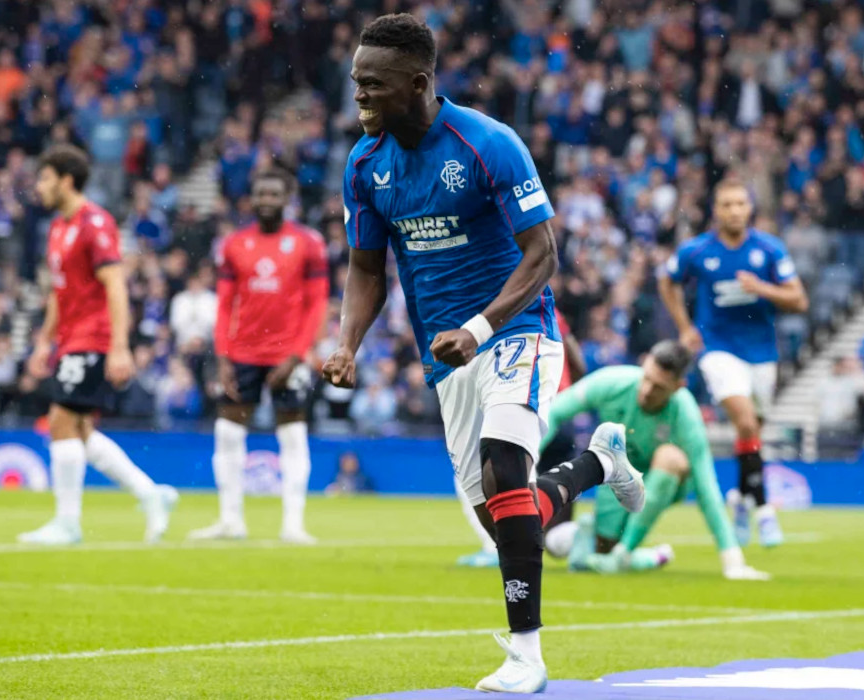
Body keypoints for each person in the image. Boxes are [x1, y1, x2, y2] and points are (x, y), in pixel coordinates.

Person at [322, 14, 645, 693]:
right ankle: (594, 464)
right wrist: (346, 343)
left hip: (516, 329)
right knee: (505, 517)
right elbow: (367, 269)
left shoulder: (487, 143)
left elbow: (543, 252)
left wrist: (479, 325)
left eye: (372, 86)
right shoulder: (364, 165)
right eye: (356, 84)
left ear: (417, 83)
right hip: (448, 361)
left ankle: (526, 657)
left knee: (505, 470)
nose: (360, 98)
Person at [20, 144, 177, 546]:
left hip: (93, 336)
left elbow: (116, 284)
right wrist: (44, 343)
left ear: (66, 180)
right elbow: (58, 294)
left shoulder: (96, 223)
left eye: (45, 178)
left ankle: (67, 523)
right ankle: (150, 494)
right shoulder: (57, 227)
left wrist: (120, 346)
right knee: (81, 428)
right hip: (70, 338)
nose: (39, 186)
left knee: (60, 420)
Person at [658, 177, 808, 548]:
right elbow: (667, 279)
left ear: (750, 208)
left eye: (740, 204)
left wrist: (763, 289)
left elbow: (799, 300)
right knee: (744, 422)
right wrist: (684, 327)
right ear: (716, 210)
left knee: (751, 432)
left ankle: (739, 499)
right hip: (718, 348)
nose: (735, 211)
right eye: (727, 204)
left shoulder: (768, 249)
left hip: (762, 352)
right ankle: (764, 512)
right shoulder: (698, 250)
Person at [541, 341, 769, 579]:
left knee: (671, 458)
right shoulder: (613, 381)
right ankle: (646, 556)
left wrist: (732, 560)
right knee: (584, 547)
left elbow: (706, 486)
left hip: (657, 484)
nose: (647, 390)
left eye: (659, 387)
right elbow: (556, 411)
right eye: (647, 378)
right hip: (613, 484)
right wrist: (527, 462)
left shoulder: (686, 413)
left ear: (678, 386)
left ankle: (624, 553)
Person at [189, 168, 329, 544]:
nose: (266, 201)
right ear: (251, 198)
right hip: (243, 353)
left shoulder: (308, 243)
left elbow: (318, 306)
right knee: (227, 433)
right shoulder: (233, 245)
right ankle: (230, 521)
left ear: (288, 198)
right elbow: (224, 306)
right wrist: (222, 355)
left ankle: (293, 526)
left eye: (274, 194)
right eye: (260, 194)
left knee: (293, 435)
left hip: (290, 355)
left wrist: (299, 355)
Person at [456, 305, 587, 568]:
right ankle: (576, 537)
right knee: (552, 488)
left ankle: (497, 546)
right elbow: (579, 364)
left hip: (529, 403)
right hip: (561, 412)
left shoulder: (497, 310)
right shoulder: (550, 310)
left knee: (476, 471)